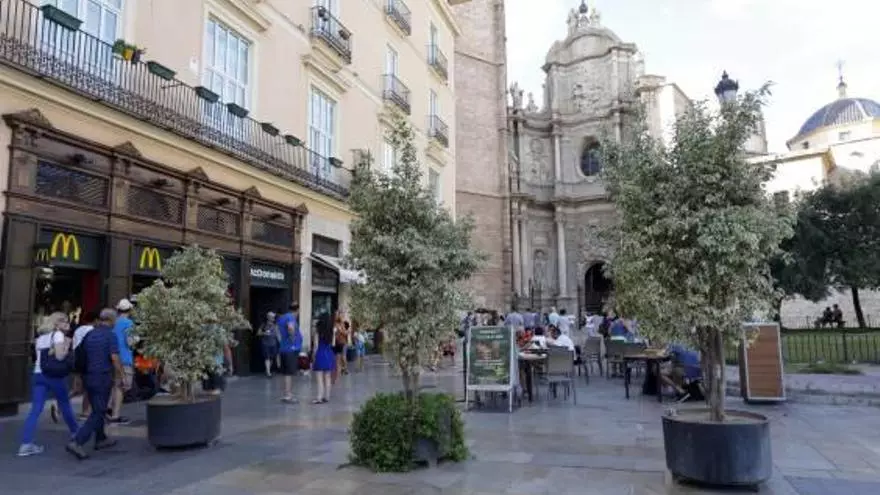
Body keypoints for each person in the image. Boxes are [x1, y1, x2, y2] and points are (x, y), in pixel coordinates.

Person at [67, 308, 125, 460]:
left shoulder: (90, 334)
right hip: (102, 376)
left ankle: (100, 438)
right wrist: (121, 376)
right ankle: (77, 441)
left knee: (98, 407)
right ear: (112, 320)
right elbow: (114, 358)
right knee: (99, 411)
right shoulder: (110, 335)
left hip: (88, 376)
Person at [17, 312, 78, 457]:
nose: (67, 324)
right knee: (65, 405)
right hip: (54, 376)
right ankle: (76, 433)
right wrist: (67, 345)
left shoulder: (41, 338)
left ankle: (26, 444)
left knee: (35, 410)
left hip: (38, 374)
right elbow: (59, 356)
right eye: (64, 321)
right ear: (56, 323)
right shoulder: (58, 335)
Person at [108, 299, 134, 425]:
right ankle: (115, 415)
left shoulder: (114, 322)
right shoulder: (129, 323)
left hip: (112, 357)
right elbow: (130, 341)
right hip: (125, 358)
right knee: (122, 386)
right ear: (130, 310)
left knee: (115, 385)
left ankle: (110, 409)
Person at [276, 303, 302, 403]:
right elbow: (290, 328)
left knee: (286, 373)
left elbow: (278, 332)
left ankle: (287, 394)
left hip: (284, 348)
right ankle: (288, 395)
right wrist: (292, 339)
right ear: (297, 310)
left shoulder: (282, 318)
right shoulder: (290, 317)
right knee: (289, 373)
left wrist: (282, 342)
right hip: (290, 349)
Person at [311, 310, 336, 404]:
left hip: (320, 354)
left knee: (319, 378)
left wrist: (313, 356)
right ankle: (327, 397)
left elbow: (316, 346)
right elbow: (333, 344)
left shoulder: (318, 331)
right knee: (327, 377)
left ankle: (319, 397)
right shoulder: (331, 331)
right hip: (329, 354)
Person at [257, 312, 279, 378]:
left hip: (274, 344)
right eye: (271, 317)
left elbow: (277, 334)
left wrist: (280, 342)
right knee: (267, 358)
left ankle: (268, 370)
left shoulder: (275, 325)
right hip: (265, 344)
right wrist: (264, 333)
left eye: (273, 317)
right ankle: (268, 372)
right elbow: (258, 333)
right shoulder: (263, 324)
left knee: (271, 358)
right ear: (268, 317)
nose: (273, 318)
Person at [332, 312, 348, 381]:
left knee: (342, 357)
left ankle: (345, 369)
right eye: (336, 315)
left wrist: (340, 330)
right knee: (337, 359)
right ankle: (340, 371)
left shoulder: (342, 324)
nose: (337, 316)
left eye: (338, 315)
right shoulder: (334, 324)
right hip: (335, 343)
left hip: (342, 343)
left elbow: (346, 333)